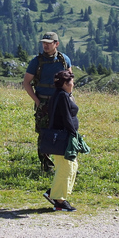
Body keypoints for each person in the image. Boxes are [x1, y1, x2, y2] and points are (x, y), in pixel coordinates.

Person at [22, 32, 72, 172]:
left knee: (63, 132)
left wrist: (68, 97)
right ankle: (47, 166)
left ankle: (63, 164)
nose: (45, 46)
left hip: (60, 102)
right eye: (44, 43)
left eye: (48, 43)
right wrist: (37, 101)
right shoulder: (36, 62)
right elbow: (26, 82)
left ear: (56, 44)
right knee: (44, 133)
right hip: (43, 101)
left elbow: (70, 80)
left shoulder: (64, 60)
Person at [45, 70, 80, 212]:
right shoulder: (63, 96)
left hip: (58, 137)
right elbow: (66, 117)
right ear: (65, 83)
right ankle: (59, 200)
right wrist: (74, 134)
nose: (73, 84)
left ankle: (53, 192)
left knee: (71, 165)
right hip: (64, 137)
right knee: (66, 167)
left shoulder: (58, 95)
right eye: (71, 82)